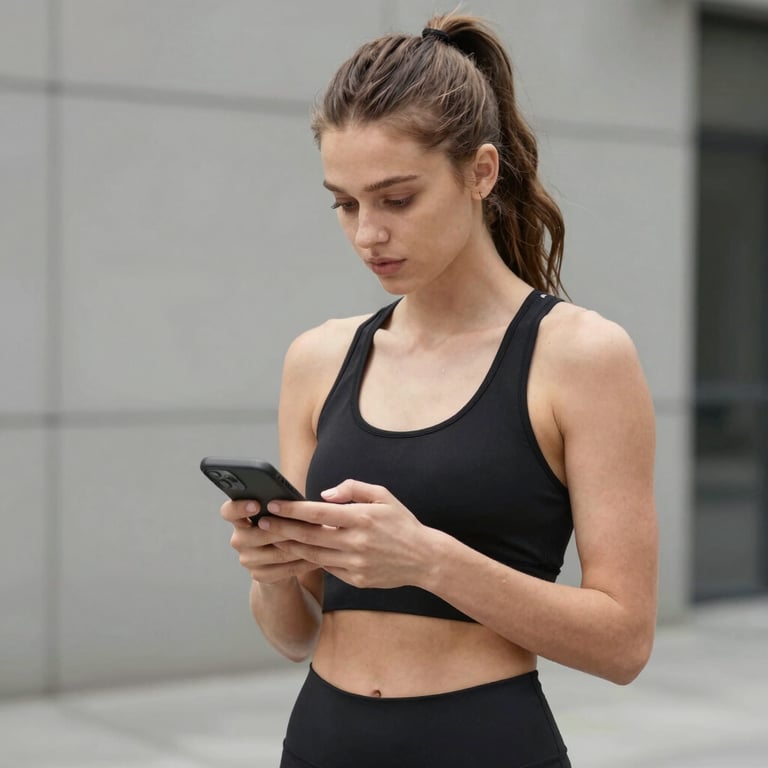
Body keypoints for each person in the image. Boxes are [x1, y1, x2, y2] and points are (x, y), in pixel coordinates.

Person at [221, 11, 657, 768]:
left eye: (396, 200)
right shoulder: (319, 358)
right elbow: (296, 635)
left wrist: (428, 560)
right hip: (323, 740)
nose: (367, 235)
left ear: (480, 172)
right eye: (344, 203)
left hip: (483, 743)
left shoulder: (580, 356)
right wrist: (275, 575)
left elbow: (624, 643)